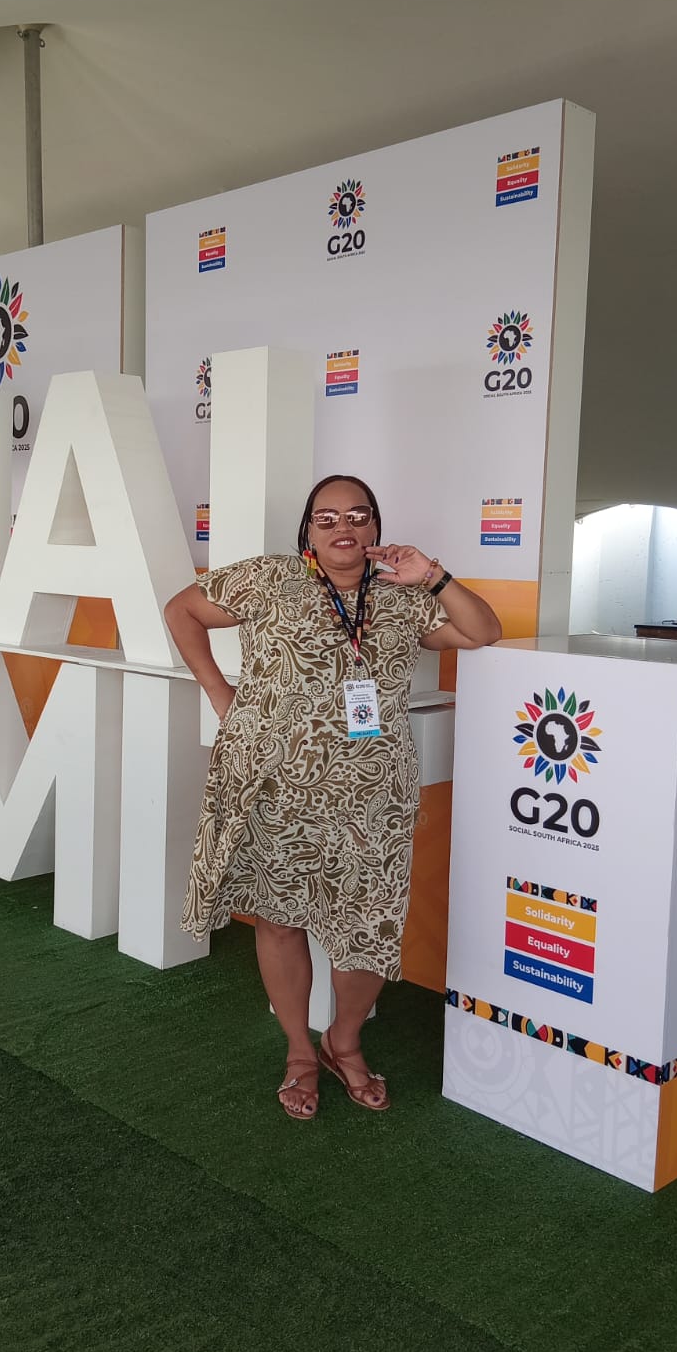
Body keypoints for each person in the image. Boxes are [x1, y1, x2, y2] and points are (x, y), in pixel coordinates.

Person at [164, 474, 502, 1120]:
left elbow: (483, 630)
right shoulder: (269, 577)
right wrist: (219, 693)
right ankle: (299, 1050)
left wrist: (433, 575)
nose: (343, 527)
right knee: (279, 918)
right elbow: (181, 610)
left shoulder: (404, 595)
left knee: (368, 924)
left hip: (371, 794)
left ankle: (343, 1042)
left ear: (375, 526)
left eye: (357, 515)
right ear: (308, 529)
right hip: (275, 786)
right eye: (327, 517)